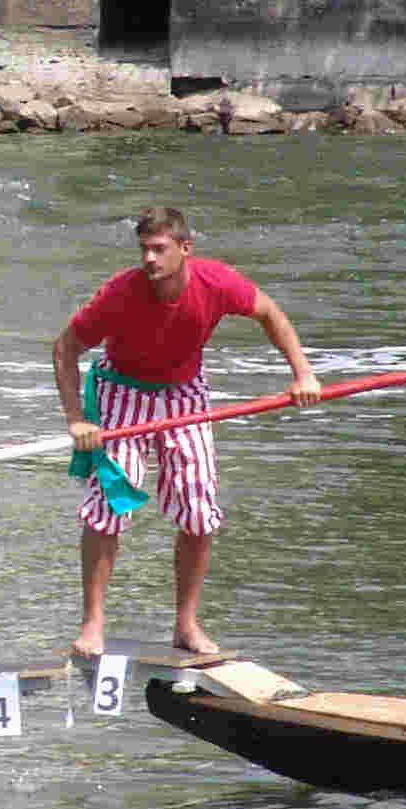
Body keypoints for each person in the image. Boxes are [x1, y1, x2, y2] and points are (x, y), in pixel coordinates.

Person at [54, 206, 319, 664]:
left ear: (185, 249)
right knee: (108, 505)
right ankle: (93, 623)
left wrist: (303, 375)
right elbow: (65, 349)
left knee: (199, 508)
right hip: (123, 390)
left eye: (160, 249)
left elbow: (271, 315)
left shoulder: (217, 282)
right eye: (144, 250)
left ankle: (186, 624)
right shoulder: (119, 293)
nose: (150, 260)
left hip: (184, 394)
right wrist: (77, 419)